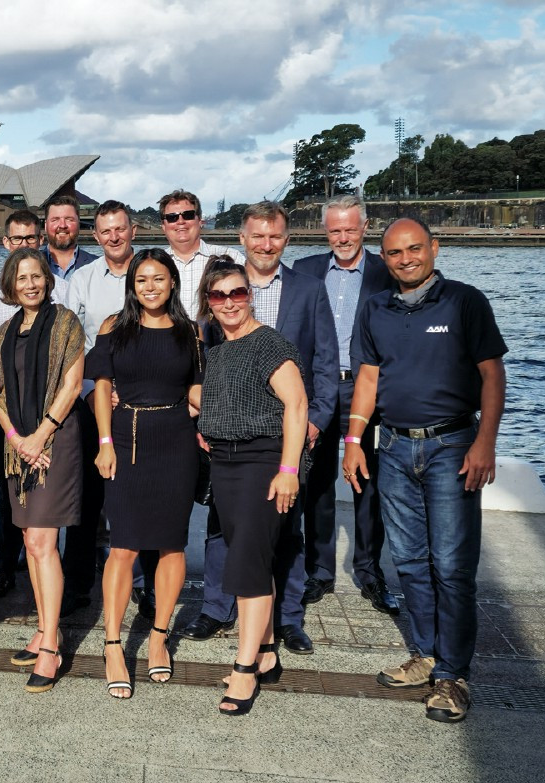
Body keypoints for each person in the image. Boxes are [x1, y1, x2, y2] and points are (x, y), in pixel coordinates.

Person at [343, 217, 506, 723]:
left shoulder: (464, 301)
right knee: (410, 561)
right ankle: (427, 653)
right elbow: (368, 378)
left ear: (434, 248)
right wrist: (354, 439)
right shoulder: (375, 308)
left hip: (452, 446)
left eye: (415, 249)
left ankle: (453, 675)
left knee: (453, 566)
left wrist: (485, 442)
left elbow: (492, 374)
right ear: (384, 257)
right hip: (392, 447)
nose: (406, 259)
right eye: (395, 253)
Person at [197, 201, 337, 656]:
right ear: (242, 238)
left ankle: (285, 621)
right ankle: (219, 609)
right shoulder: (216, 310)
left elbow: (325, 361)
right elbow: (206, 376)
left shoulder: (308, 289)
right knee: (225, 529)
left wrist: (313, 423)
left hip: (283, 441)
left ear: (286, 239)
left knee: (285, 530)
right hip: (230, 446)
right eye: (257, 235)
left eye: (274, 236)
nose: (265, 244)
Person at [86, 248, 203, 699]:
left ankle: (157, 637)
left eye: (158, 279)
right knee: (124, 547)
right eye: (141, 281)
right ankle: (113, 643)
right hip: (126, 438)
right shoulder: (114, 327)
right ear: (131, 286)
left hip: (175, 441)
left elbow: (195, 387)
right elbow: (101, 389)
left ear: (173, 281)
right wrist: (104, 443)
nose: (150, 287)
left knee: (172, 544)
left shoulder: (190, 332)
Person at [196, 261, 309, 716]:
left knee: (247, 562)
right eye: (219, 296)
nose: (229, 303)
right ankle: (265, 652)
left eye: (237, 293)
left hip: (263, 461)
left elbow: (297, 406)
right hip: (224, 464)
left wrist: (288, 469)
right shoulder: (219, 349)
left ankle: (244, 670)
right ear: (209, 302)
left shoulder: (269, 344)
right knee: (250, 553)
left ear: (250, 295)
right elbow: (221, 398)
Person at [291, 194, 399, 615]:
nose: (343, 237)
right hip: (318, 389)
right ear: (325, 231)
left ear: (365, 227)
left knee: (368, 483)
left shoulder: (384, 273)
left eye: (350, 228)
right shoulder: (306, 270)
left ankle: (370, 572)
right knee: (314, 484)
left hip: (366, 389)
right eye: (335, 229)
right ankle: (318, 573)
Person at [0, 248, 86, 693]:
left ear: (47, 280)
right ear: (9, 285)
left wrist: (40, 435)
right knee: (30, 539)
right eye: (21, 277)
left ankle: (50, 645)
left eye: (37, 276)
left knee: (43, 541)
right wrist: (15, 439)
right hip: (19, 446)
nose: (30, 284)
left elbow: (71, 383)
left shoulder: (65, 322)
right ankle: (48, 628)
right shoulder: (6, 330)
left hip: (56, 440)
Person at [59, 200, 139, 618]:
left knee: (139, 491)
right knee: (86, 495)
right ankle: (77, 584)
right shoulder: (83, 280)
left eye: (120, 229)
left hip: (143, 401)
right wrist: (93, 391)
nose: (114, 237)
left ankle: (141, 582)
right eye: (106, 231)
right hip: (94, 401)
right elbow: (75, 345)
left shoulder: (150, 272)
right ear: (96, 236)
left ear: (133, 230)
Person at [0, 209, 48, 601]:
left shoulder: (57, 288)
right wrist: (1, 397)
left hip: (47, 406)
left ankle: (46, 560)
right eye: (16, 240)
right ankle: (5, 567)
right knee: (9, 486)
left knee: (48, 486)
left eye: (31, 239)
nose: (24, 246)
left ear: (41, 240)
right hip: (1, 403)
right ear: (5, 243)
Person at [159, 189, 237, 317]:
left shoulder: (231, 257)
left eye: (188, 215)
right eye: (172, 217)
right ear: (163, 226)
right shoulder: (155, 263)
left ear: (200, 220)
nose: (180, 221)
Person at [42, 194, 97, 279]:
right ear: (46, 226)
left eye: (69, 219)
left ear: (78, 224)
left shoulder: (97, 265)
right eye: (55, 220)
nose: (62, 225)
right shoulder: (31, 263)